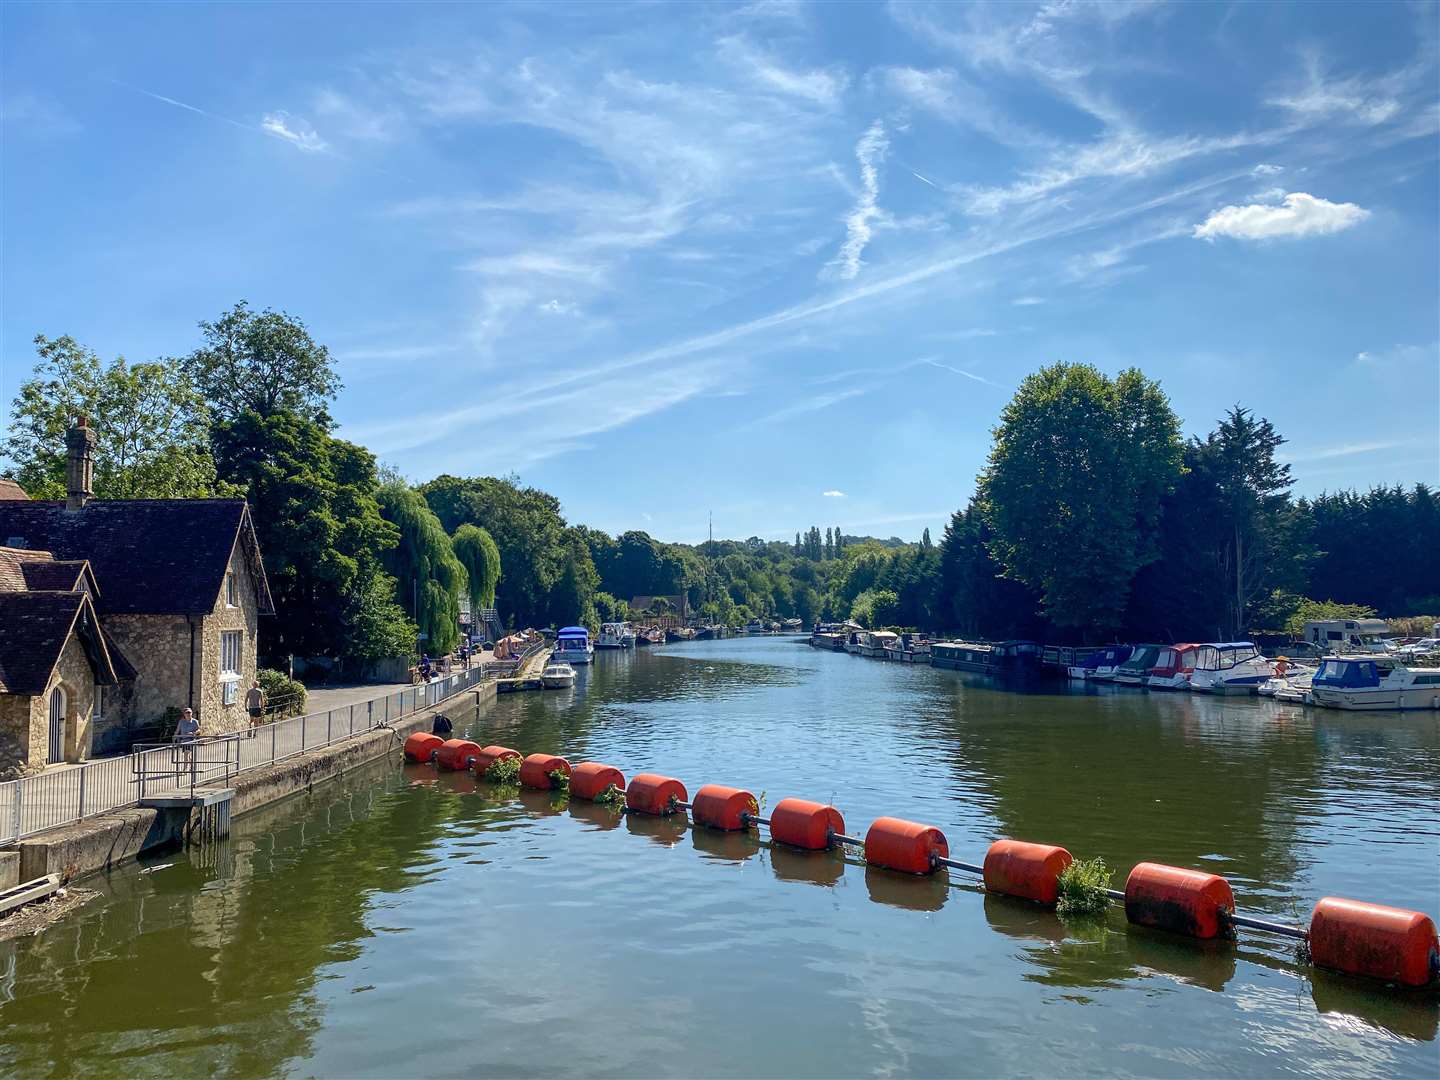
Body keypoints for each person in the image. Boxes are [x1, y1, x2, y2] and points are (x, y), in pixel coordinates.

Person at [173, 707, 200, 771]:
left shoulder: (195, 721)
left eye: (189, 712)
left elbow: (199, 730)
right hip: (184, 740)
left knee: (186, 754)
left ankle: (185, 769)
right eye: (187, 713)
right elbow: (177, 730)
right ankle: (192, 766)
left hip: (191, 740)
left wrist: (193, 733)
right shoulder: (181, 722)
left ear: (191, 713)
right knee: (187, 754)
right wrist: (174, 737)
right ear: (184, 714)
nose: (188, 714)